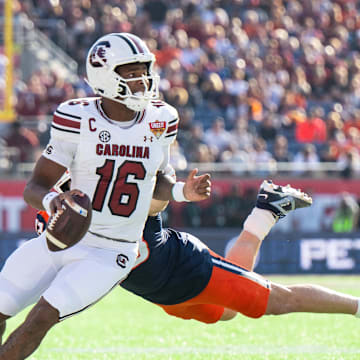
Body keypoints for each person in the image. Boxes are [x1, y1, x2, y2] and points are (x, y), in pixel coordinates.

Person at [0, 33, 211, 359]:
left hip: (111, 252)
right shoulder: (77, 118)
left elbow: (155, 180)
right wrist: (53, 200)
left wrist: (183, 190)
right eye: (131, 71)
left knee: (41, 316)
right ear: (104, 74)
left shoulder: (161, 119)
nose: (143, 79)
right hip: (62, 239)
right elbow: (36, 186)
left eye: (145, 69)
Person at [37, 177, 360, 325]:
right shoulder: (71, 234)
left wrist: (177, 189)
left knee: (279, 300)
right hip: (166, 295)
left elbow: (155, 198)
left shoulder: (127, 203)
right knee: (228, 313)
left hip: (190, 270)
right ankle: (267, 209)